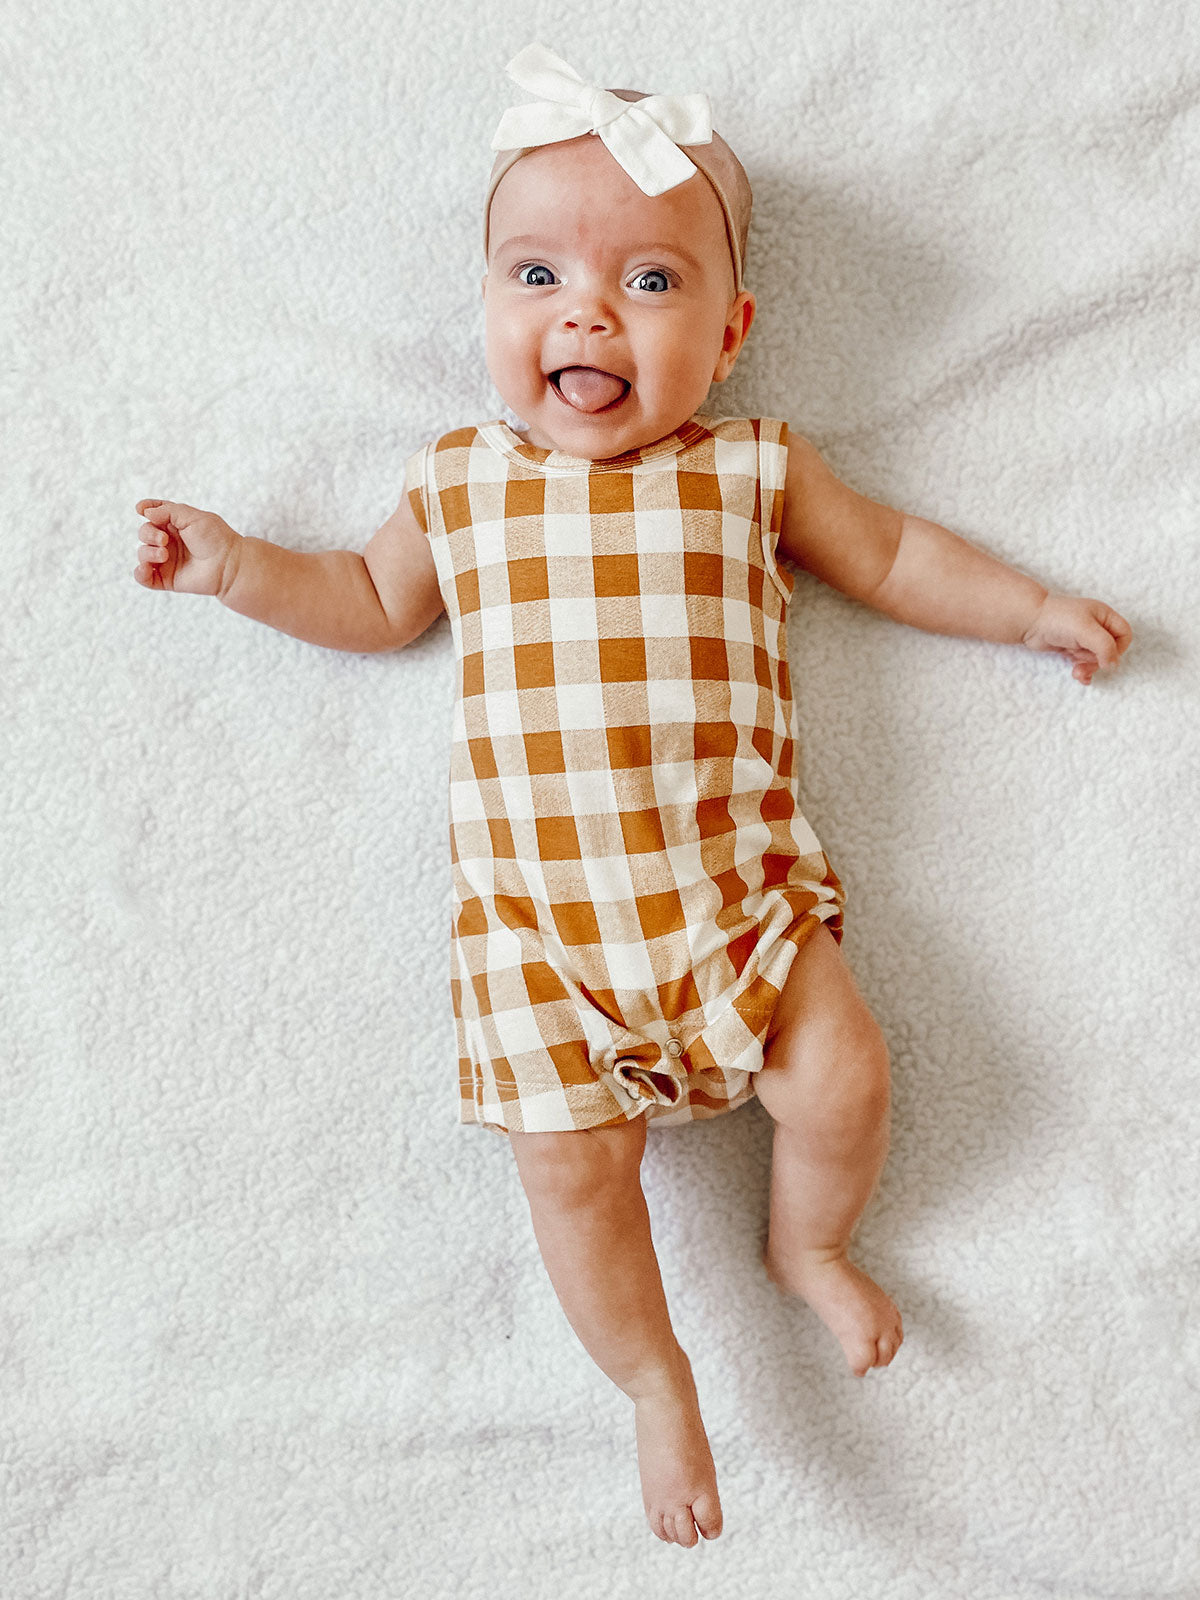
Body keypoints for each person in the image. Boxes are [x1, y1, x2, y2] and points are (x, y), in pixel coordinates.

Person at [131, 42, 1133, 1550]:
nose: (585, 310)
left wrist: (1034, 604)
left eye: (649, 284)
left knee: (845, 1073)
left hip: (737, 913)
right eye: (534, 276)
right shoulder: (460, 485)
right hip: (540, 943)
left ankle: (809, 1241)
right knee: (573, 1180)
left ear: (729, 333)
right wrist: (237, 570)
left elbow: (900, 559)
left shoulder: (753, 472)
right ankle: (657, 1378)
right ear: (485, 310)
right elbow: (362, 594)